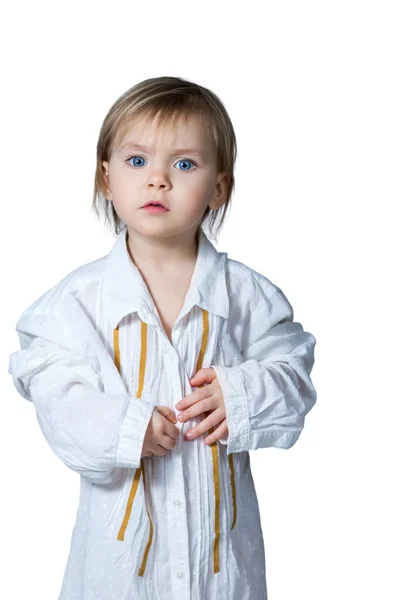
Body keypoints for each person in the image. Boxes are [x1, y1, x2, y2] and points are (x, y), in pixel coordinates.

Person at [8, 75, 317, 600]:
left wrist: (238, 395)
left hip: (222, 566)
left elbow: (293, 376)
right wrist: (126, 426)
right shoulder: (79, 301)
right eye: (137, 162)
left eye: (184, 164)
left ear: (220, 187)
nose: (158, 180)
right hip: (119, 568)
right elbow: (53, 393)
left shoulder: (246, 295)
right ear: (106, 179)